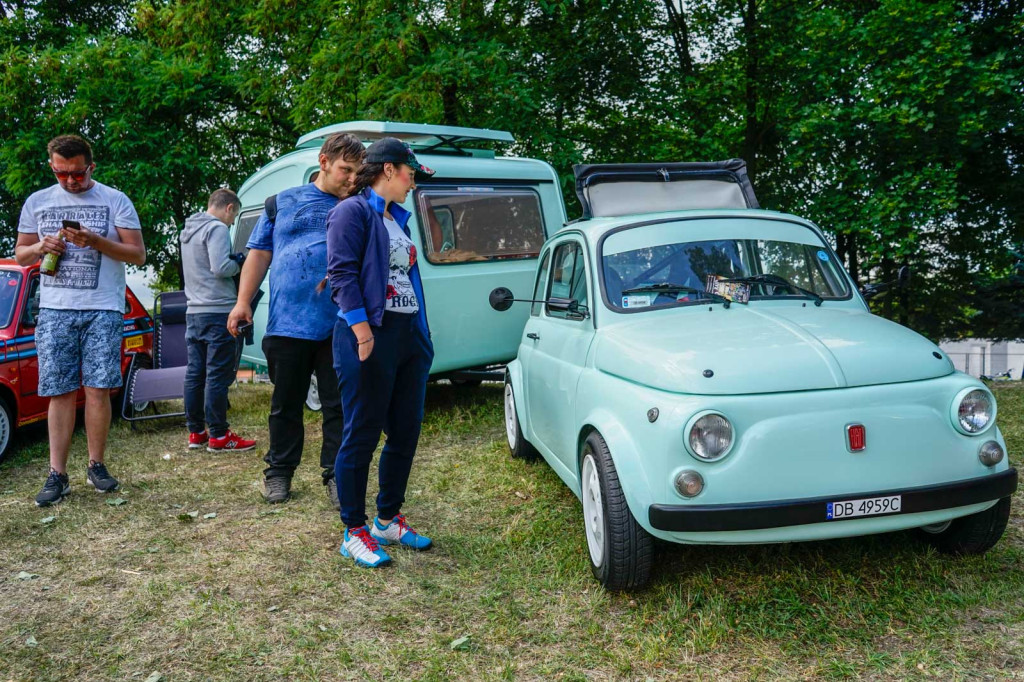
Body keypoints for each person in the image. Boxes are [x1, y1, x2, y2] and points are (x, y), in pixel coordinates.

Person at [227, 133, 364, 506]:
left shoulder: (360, 206)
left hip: (341, 324)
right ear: (323, 162)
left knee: (340, 406)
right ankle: (279, 473)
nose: (352, 179)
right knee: (285, 404)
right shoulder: (281, 203)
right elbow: (258, 255)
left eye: (357, 173)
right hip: (289, 323)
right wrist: (243, 303)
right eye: (345, 170)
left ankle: (338, 476)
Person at [15, 134, 146, 507]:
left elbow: (137, 254)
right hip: (56, 309)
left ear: (92, 165)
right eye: (62, 174)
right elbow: (22, 256)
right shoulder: (37, 202)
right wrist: (42, 247)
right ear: (52, 167)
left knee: (99, 387)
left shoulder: (114, 199)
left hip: (104, 305)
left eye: (77, 174)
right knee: (59, 390)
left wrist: (95, 241)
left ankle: (97, 465)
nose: (71, 181)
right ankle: (57, 474)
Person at [326, 137, 436, 568]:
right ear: (389, 170)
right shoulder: (351, 211)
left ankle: (387, 519)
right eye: (411, 174)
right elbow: (341, 273)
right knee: (362, 431)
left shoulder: (397, 219)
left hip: (407, 335)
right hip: (367, 336)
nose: (413, 183)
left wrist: (422, 335)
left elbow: (407, 278)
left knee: (406, 430)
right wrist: (363, 333)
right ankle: (353, 529)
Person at [180, 188, 256, 452]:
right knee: (217, 375)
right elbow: (221, 267)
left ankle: (196, 432)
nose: (232, 222)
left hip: (194, 311)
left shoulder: (188, 230)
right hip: (218, 310)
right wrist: (242, 263)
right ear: (229, 208)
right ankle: (220, 436)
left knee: (195, 374)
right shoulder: (217, 229)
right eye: (233, 217)